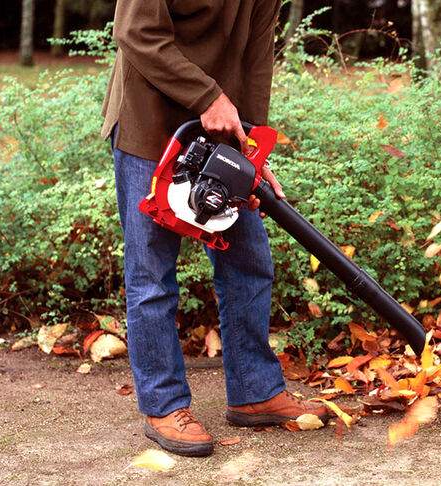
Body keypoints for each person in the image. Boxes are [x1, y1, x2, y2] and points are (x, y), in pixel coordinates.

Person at [101, 0, 328, 457]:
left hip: (220, 128)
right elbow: (135, 31)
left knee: (247, 257)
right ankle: (163, 405)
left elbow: (256, 59)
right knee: (152, 272)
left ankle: (255, 391)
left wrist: (250, 149)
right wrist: (207, 97)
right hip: (149, 121)